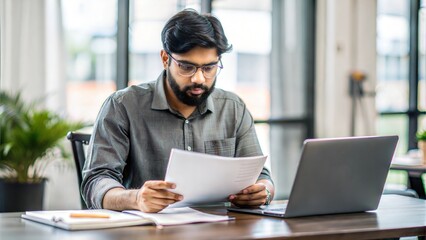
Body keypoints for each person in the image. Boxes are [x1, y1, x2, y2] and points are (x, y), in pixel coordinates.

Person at [82, 9, 275, 213]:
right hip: (147, 231)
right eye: (187, 67)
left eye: (209, 68)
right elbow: (95, 182)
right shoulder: (123, 106)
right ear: (165, 59)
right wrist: (136, 198)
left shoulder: (233, 108)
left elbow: (262, 178)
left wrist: (263, 192)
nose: (199, 78)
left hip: (222, 230)